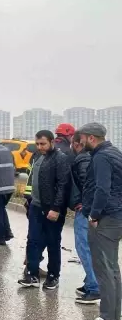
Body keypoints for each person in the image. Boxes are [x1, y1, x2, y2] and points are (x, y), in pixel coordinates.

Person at [79, 123, 122, 320]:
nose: (81, 142)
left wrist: (94, 215)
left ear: (92, 138)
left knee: (104, 269)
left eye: (83, 138)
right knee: (112, 269)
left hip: (106, 218)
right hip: (116, 215)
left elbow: (102, 189)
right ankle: (115, 319)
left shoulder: (101, 157)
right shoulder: (115, 152)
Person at [18, 130, 71, 290]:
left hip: (52, 209)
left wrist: (56, 208)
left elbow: (63, 185)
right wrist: (29, 200)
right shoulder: (37, 156)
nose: (40, 147)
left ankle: (53, 276)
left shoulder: (60, 159)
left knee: (52, 242)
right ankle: (32, 275)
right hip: (36, 206)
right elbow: (31, 179)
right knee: (33, 241)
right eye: (38, 144)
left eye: (43, 144)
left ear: (52, 142)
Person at [69, 131, 100, 305]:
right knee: (91, 248)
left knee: (84, 247)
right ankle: (90, 283)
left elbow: (86, 183)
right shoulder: (95, 157)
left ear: (77, 143)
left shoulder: (82, 158)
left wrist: (84, 204)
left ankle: (94, 288)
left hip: (86, 210)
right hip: (93, 209)